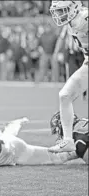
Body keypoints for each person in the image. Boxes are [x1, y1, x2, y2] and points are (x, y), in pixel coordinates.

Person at [48, 1, 88, 152]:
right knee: (65, 95)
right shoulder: (71, 22)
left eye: (62, 10)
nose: (59, 15)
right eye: (57, 11)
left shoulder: (84, 17)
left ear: (74, 7)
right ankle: (68, 141)